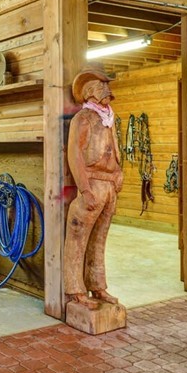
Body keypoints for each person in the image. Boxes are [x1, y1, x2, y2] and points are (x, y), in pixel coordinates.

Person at [64, 67, 123, 309]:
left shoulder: (108, 119)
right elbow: (74, 154)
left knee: (100, 240)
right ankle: (75, 290)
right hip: (92, 184)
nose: (107, 91)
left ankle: (98, 286)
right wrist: (85, 189)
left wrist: (119, 173)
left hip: (109, 186)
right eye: (102, 87)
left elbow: (115, 148)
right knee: (78, 237)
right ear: (90, 92)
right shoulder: (83, 119)